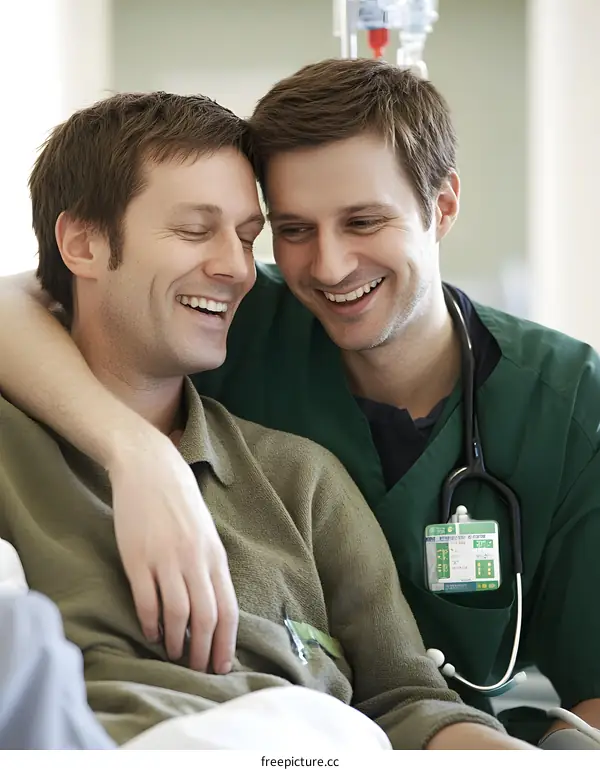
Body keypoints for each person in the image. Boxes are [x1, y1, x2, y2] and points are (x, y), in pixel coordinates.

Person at [0, 59, 598, 746]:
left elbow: (410, 699)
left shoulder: (304, 471)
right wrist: (136, 454)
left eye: (365, 221)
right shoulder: (223, 316)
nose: (329, 266)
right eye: (291, 229)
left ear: (443, 208)